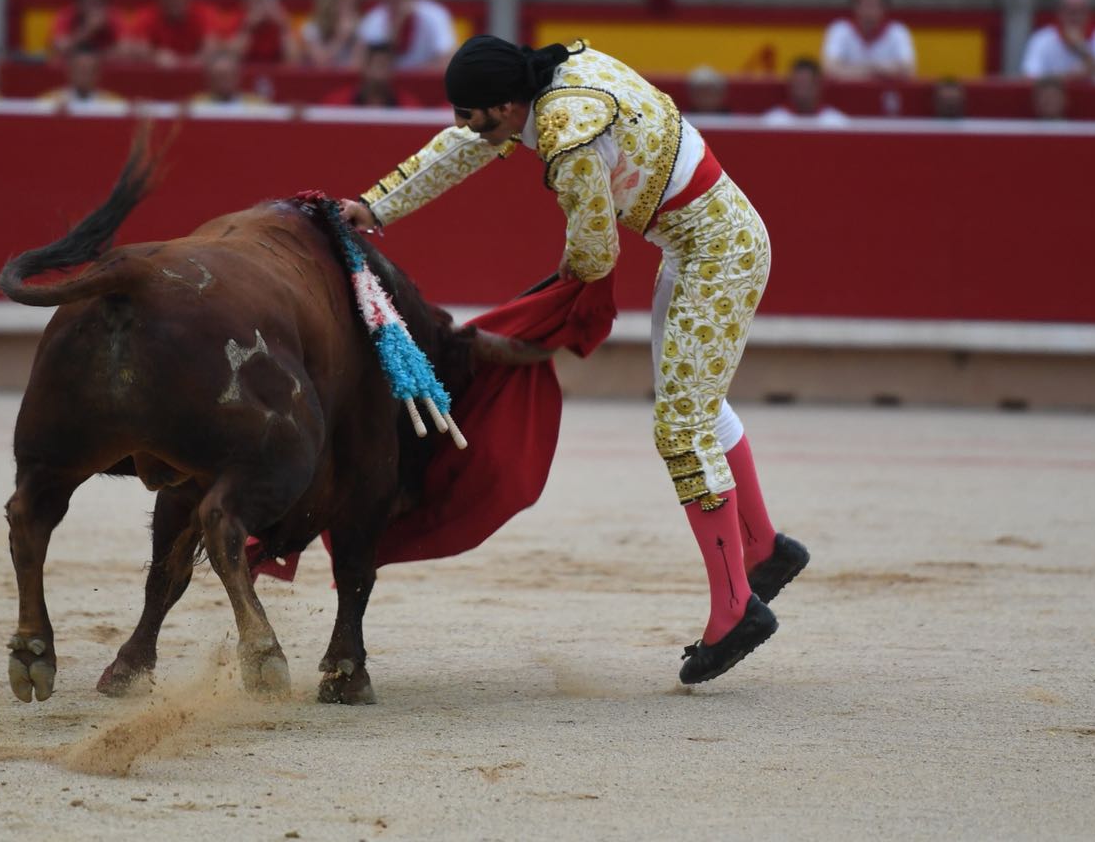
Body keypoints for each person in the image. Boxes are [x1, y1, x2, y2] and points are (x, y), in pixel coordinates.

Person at [336, 38, 810, 686]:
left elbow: (593, 253)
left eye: (478, 118)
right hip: (699, 244)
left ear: (506, 106)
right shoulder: (547, 82)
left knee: (682, 428)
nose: (472, 131)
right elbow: (465, 145)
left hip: (718, 256)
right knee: (698, 411)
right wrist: (376, 205)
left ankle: (736, 610)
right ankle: (763, 550)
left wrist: (553, 307)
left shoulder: (567, 130)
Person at [356, 0, 457, 71]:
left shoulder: (435, 15)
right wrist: (396, 27)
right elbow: (359, 62)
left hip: (424, 82)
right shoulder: (373, 19)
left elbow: (447, 59)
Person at [820, 0, 916, 80]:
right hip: (848, 94)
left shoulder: (898, 31)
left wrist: (853, 70)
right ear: (856, 5)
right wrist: (876, 70)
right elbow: (829, 68)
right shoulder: (839, 30)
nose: (871, 9)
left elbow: (908, 69)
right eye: (867, 3)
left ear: (884, 7)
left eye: (876, 4)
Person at [1019, 0, 1095, 81]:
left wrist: (1082, 50)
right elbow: (1029, 77)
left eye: (1080, 10)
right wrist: (1070, 77)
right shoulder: (1041, 38)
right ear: (1060, 12)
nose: (1075, 16)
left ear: (1089, 13)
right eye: (1070, 10)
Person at [122, 0, 211, 67]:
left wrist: (189, 61)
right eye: (169, 0)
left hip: (195, 72)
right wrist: (155, 56)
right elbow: (137, 47)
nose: (175, 4)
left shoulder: (202, 13)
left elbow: (212, 45)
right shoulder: (148, 16)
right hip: (158, 73)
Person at [321, 43, 423, 108]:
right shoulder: (336, 103)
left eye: (387, 65)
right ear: (365, 67)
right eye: (379, 64)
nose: (382, 71)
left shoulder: (409, 107)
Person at [49, 0, 122, 59]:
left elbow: (126, 49)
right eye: (89, 2)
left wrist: (95, 57)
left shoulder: (112, 16)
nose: (93, 8)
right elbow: (59, 48)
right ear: (78, 2)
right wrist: (88, 30)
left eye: (98, 3)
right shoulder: (67, 15)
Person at [761, 58, 850, 126]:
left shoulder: (837, 123)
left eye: (806, 84)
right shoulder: (772, 122)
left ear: (818, 85)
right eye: (798, 84)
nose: (801, 91)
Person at [39, 44, 122, 107]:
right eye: (80, 70)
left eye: (89, 70)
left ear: (98, 74)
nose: (84, 76)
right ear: (69, 71)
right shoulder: (49, 103)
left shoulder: (113, 105)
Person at [191, 48, 269, 107]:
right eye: (220, 76)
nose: (224, 82)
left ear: (237, 76)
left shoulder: (256, 105)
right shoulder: (196, 105)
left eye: (228, 75)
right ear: (209, 79)